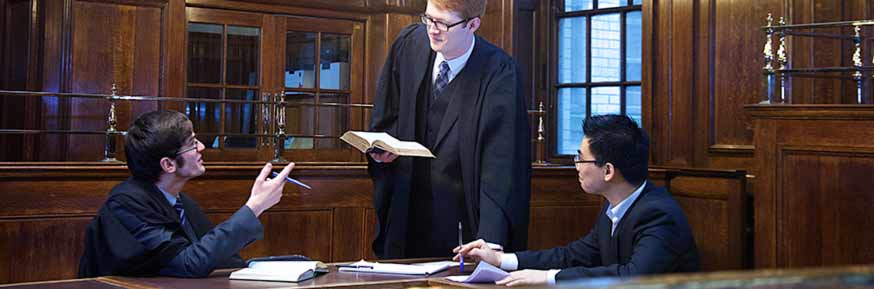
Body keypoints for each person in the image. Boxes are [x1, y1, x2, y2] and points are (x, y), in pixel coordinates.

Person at [368, 0, 531, 259]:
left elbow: (501, 162)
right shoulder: (409, 45)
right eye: (429, 19)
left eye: (443, 24)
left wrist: (490, 238)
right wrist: (379, 150)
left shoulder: (499, 72)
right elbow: (387, 114)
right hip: (406, 206)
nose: (433, 30)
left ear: (473, 24)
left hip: (462, 217)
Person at [454, 114, 699, 286]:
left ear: (608, 171)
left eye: (581, 159)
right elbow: (574, 255)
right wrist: (500, 259)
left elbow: (633, 277)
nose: (577, 167)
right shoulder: (615, 205)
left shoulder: (659, 214)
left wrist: (549, 278)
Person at [78, 110, 295, 278]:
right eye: (192, 143)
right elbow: (189, 263)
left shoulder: (181, 202)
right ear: (168, 164)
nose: (201, 147)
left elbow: (224, 260)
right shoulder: (126, 203)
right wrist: (255, 206)